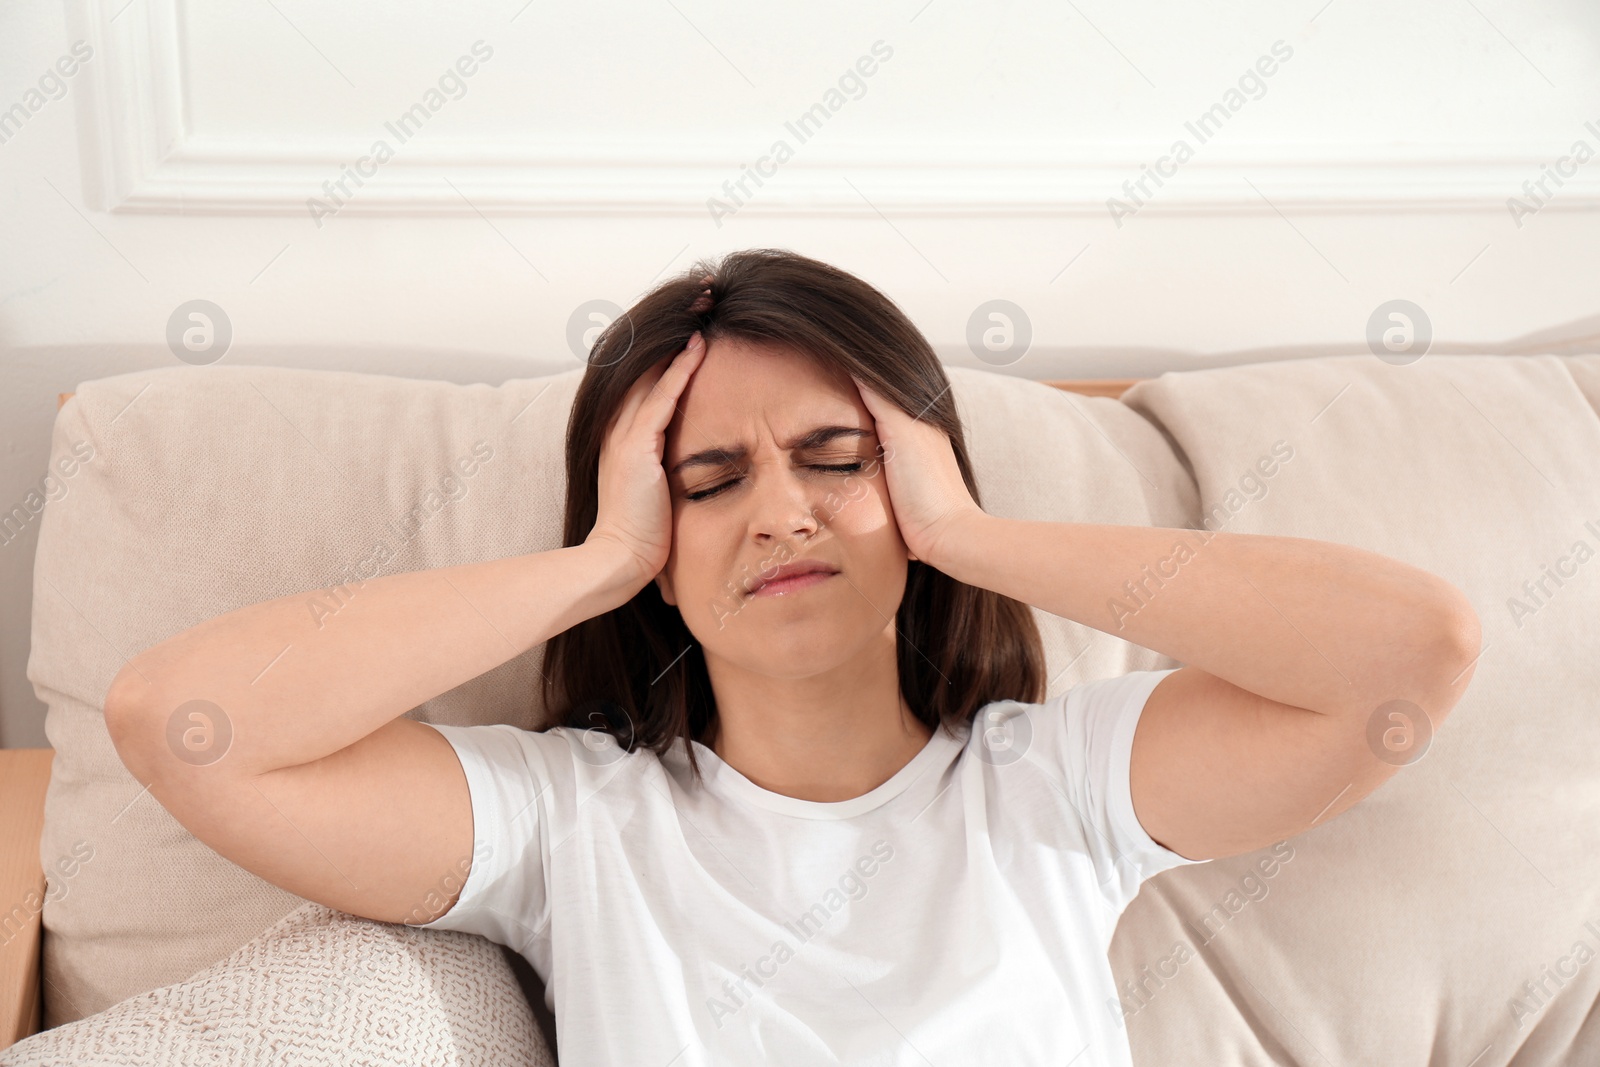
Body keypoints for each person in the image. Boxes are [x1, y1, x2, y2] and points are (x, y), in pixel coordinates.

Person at [103, 248, 1482, 1065]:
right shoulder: (569, 819)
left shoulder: (1057, 781)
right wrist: (593, 563)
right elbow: (182, 720)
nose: (781, 510)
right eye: (705, 479)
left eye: (837, 459)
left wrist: (964, 530)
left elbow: (1411, 656)